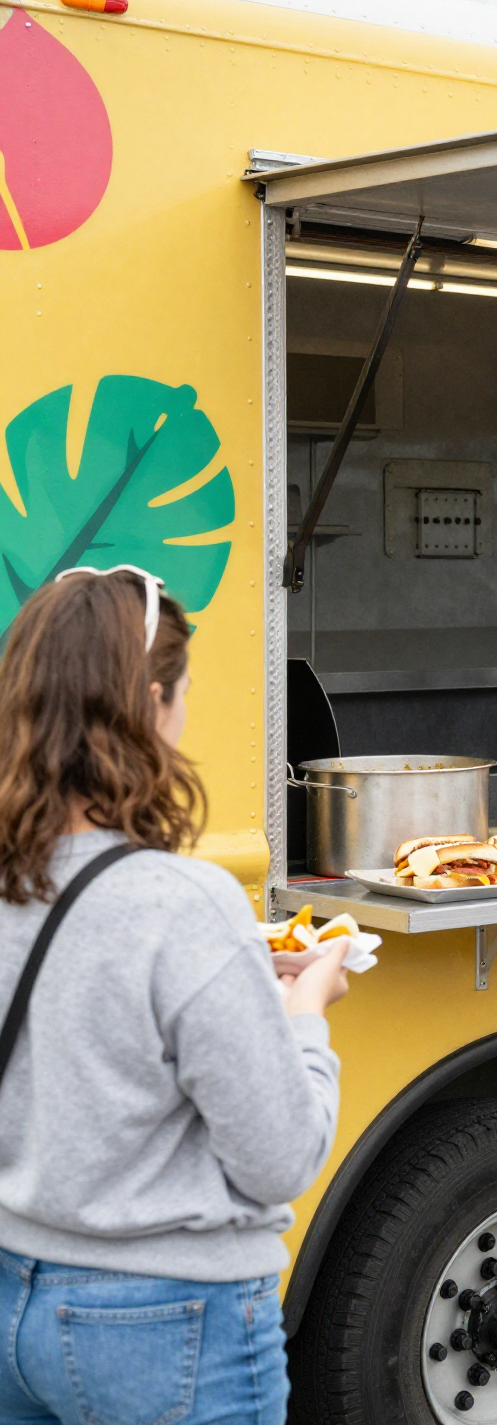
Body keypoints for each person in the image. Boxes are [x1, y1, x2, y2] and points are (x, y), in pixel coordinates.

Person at [0, 568, 346, 1425]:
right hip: (169, 1321)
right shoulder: (185, 903)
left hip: (13, 1297)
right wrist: (306, 1014)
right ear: (152, 703)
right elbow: (279, 1158)